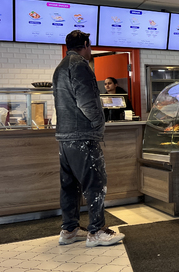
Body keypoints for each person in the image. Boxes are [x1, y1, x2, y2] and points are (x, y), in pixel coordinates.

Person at [53, 30, 125, 247]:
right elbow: (86, 100)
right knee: (95, 183)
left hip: (64, 138)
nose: (91, 50)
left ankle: (70, 229)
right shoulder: (80, 65)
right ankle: (96, 232)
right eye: (90, 45)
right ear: (84, 44)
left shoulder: (60, 68)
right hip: (82, 136)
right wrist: (97, 124)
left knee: (69, 186)